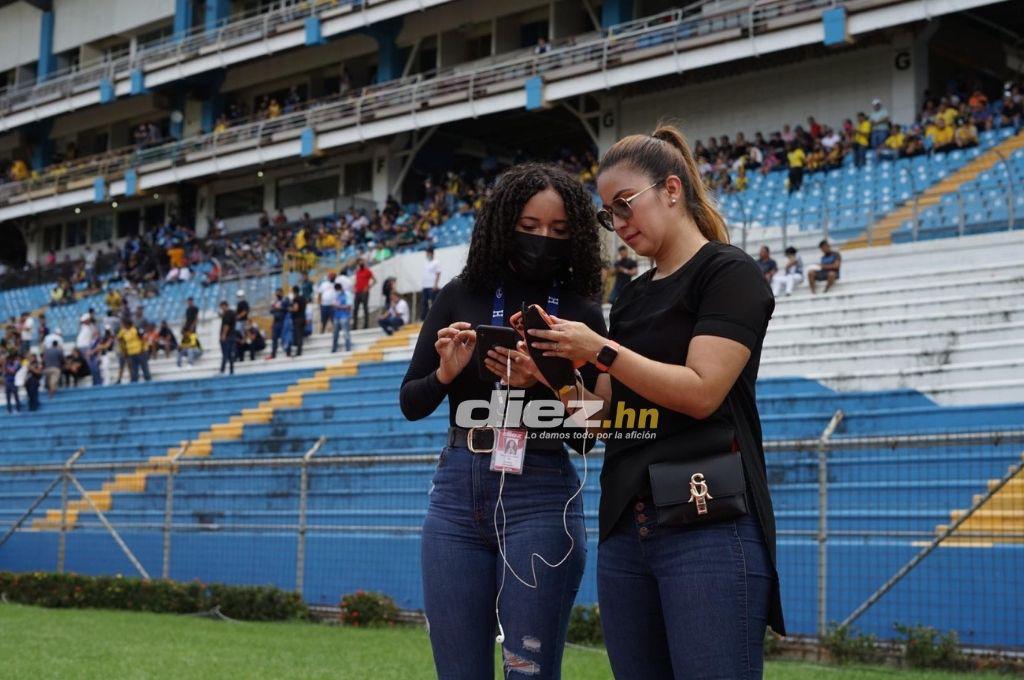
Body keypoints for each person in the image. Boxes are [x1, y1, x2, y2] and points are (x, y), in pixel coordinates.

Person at [523, 125, 784, 678]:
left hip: (707, 521)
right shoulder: (634, 294)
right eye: (608, 215)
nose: (618, 225)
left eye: (625, 205)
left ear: (671, 189)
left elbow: (701, 391)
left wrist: (600, 349)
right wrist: (549, 377)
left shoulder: (728, 271)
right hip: (626, 530)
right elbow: (604, 420)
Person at [399, 163, 607, 679]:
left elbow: (590, 436)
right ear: (503, 223)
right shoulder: (459, 294)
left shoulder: (581, 311)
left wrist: (546, 380)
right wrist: (446, 374)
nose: (543, 239)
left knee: (529, 671)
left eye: (559, 231)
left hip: (541, 494)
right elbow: (411, 402)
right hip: (456, 492)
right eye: (530, 226)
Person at [117, 319, 151, 383]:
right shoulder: (124, 331)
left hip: (140, 352)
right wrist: (125, 352)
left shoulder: (136, 329)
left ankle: (148, 382)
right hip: (131, 354)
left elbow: (143, 338)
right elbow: (119, 339)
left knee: (145, 368)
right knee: (134, 371)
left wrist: (142, 349)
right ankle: (134, 383)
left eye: (124, 325)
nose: (123, 326)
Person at [353, 258, 375, 330]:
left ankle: (366, 325)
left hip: (364, 292)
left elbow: (374, 280)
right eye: (359, 262)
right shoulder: (357, 272)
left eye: (362, 262)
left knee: (365, 308)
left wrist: (368, 287)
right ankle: (354, 326)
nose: (361, 263)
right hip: (357, 292)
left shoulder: (368, 271)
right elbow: (357, 281)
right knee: (355, 309)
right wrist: (355, 287)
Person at [420, 246, 441, 321]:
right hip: (425, 286)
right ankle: (424, 319)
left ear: (431, 253)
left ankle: (435, 318)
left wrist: (435, 284)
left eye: (427, 253)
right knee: (424, 303)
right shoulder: (426, 262)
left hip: (431, 286)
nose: (426, 254)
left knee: (433, 303)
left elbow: (438, 273)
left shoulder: (436, 262)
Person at [331, 282, 352, 353]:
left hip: (344, 316)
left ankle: (348, 348)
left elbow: (349, 307)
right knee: (335, 334)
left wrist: (339, 307)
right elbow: (333, 304)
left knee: (346, 332)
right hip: (336, 316)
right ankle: (334, 349)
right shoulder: (336, 295)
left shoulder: (347, 294)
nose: (337, 291)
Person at [268, 288, 288, 359]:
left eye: (279, 293)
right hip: (276, 322)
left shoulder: (285, 300)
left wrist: (277, 308)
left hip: (283, 321)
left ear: (282, 293)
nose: (277, 294)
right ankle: (273, 354)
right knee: (274, 339)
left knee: (284, 338)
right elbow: (271, 311)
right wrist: (276, 308)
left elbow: (285, 309)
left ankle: (287, 352)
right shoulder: (275, 302)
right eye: (276, 293)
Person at [219, 301, 237, 375]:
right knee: (230, 354)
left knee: (225, 354)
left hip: (227, 337)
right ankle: (231, 370)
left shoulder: (227, 313)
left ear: (225, 306)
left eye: (222, 307)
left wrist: (223, 335)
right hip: (232, 336)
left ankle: (222, 370)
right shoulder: (232, 313)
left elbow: (226, 325)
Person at [289, 286, 307, 357]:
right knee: (300, 336)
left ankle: (298, 352)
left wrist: (290, 309)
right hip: (303, 318)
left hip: (297, 319)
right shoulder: (303, 298)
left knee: (298, 336)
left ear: (294, 291)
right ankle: (299, 351)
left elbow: (296, 309)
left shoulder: (296, 299)